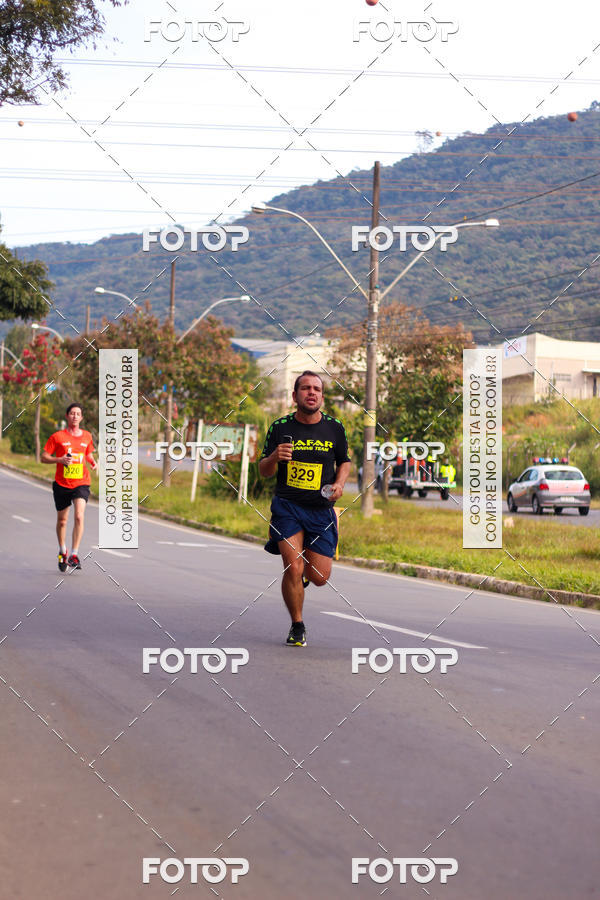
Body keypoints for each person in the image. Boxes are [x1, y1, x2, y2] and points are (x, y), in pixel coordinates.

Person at [259, 371, 351, 647]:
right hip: (288, 507)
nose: (312, 393)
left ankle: (332, 522)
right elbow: (263, 471)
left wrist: (340, 483)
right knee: (293, 566)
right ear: (295, 395)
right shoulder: (280, 427)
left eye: (317, 389)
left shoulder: (335, 428)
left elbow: (344, 461)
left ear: (322, 396)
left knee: (319, 577)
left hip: (321, 509)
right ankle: (297, 625)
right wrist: (275, 456)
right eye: (306, 388)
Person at [41, 402, 97, 571]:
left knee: (79, 516)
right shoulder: (57, 437)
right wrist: (59, 460)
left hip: (81, 482)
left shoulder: (87, 436)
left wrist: (92, 461)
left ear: (81, 417)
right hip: (61, 484)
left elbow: (87, 453)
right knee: (63, 520)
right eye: (72, 413)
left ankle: (74, 553)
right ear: (67, 416)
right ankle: (62, 550)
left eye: (78, 413)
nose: (74, 416)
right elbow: (43, 457)